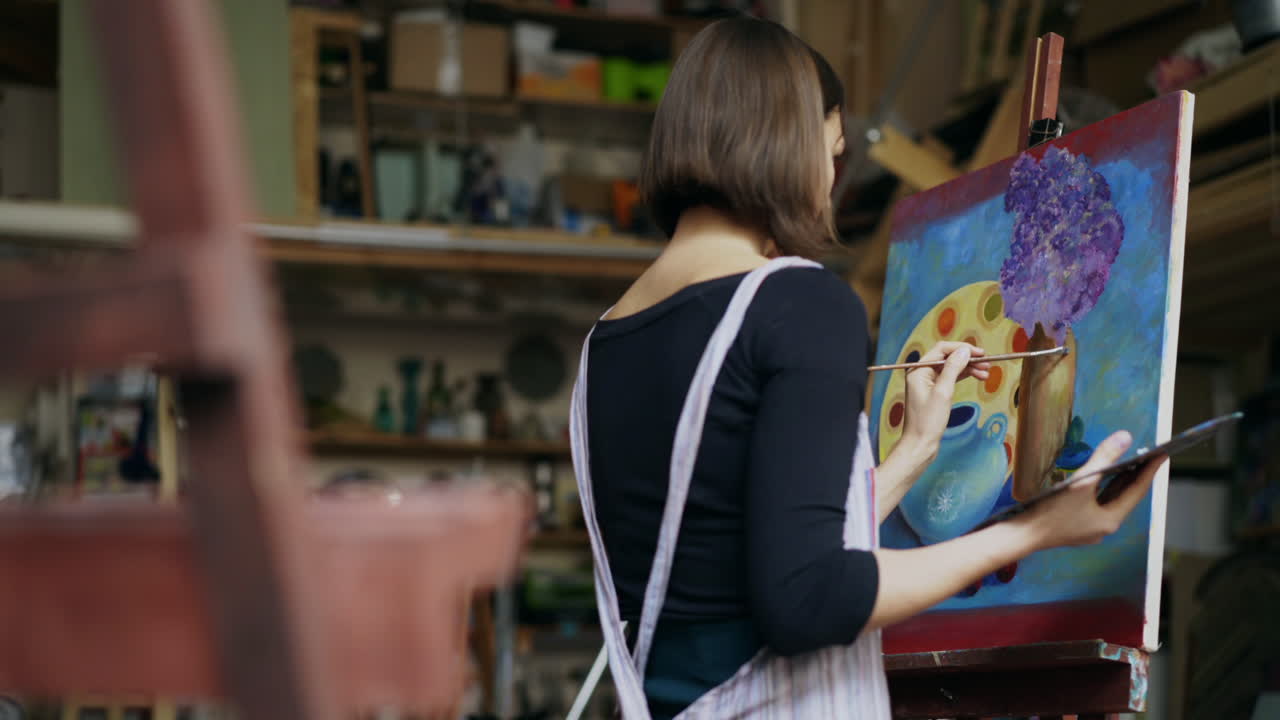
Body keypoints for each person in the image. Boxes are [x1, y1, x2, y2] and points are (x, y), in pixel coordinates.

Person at [568, 17, 1166, 720]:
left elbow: (746, 548)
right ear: (789, 147)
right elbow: (809, 598)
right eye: (832, 153)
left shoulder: (607, 340)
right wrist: (1033, 532)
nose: (829, 182)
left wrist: (913, 452)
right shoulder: (798, 303)